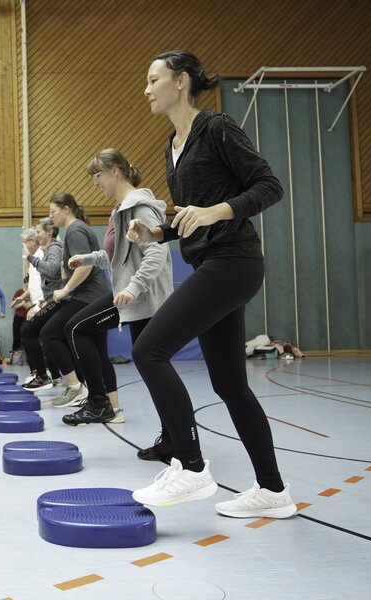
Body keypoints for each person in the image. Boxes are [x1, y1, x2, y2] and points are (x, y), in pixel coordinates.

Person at [128, 51, 296, 519]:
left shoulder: (217, 128)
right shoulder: (171, 145)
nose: (146, 88)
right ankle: (274, 491)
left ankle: (192, 467)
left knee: (149, 350)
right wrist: (158, 231)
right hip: (212, 260)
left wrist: (217, 210)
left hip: (233, 262)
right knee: (229, 383)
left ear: (180, 82)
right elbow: (190, 217)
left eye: (153, 78)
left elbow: (268, 186)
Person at [63, 149, 173, 429]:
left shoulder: (138, 207)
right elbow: (117, 256)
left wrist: (133, 288)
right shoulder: (119, 210)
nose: (95, 183)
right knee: (151, 369)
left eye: (97, 176)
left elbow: (157, 253)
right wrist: (87, 259)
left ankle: (99, 403)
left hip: (143, 299)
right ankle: (170, 438)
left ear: (115, 171)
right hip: (132, 300)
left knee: (76, 328)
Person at [38, 193, 110, 410]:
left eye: (53, 211)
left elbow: (85, 265)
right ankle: (105, 403)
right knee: (98, 351)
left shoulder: (75, 230)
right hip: (95, 296)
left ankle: (75, 386)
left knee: (49, 334)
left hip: (88, 296)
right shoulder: (77, 229)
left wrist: (65, 289)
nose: (50, 217)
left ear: (66, 208)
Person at [19, 219, 64, 390]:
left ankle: (43, 374)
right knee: (45, 336)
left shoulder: (48, 251)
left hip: (52, 301)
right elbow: (38, 284)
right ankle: (48, 375)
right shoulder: (45, 252)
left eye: (39, 233)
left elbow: (50, 274)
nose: (37, 236)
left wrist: (37, 306)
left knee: (30, 331)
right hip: (46, 301)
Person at [9, 275, 32, 364]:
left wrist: (30, 303)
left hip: (29, 318)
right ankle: (15, 359)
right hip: (19, 317)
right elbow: (13, 305)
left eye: (29, 286)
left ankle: (29, 359)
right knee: (16, 338)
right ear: (24, 284)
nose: (27, 287)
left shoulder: (33, 292)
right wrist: (22, 303)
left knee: (28, 338)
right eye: (26, 285)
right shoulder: (19, 292)